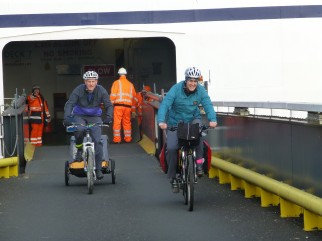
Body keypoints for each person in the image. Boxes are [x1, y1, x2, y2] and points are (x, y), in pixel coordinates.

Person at [157, 67, 218, 192]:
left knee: (199, 136)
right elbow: (165, 104)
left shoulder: (200, 91)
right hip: (175, 122)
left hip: (193, 120)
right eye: (191, 81)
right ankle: (173, 177)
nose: (193, 84)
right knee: (172, 147)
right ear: (186, 80)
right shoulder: (176, 89)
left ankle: (199, 164)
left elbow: (207, 104)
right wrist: (162, 121)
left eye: (195, 81)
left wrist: (213, 119)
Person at [63, 70, 113, 180]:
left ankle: (99, 169)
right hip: (80, 115)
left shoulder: (101, 90)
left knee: (98, 140)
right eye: (89, 81)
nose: (91, 83)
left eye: (93, 81)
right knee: (79, 129)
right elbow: (70, 103)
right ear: (85, 81)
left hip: (95, 116)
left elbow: (109, 105)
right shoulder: (78, 89)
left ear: (97, 82)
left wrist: (108, 117)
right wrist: (66, 118)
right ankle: (80, 150)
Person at [110, 67, 137, 143]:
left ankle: (117, 140)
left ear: (119, 74)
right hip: (128, 107)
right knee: (127, 123)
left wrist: (110, 105)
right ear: (126, 74)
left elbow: (113, 95)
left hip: (118, 106)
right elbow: (134, 98)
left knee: (117, 122)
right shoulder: (131, 85)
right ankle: (128, 139)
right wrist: (133, 110)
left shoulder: (116, 83)